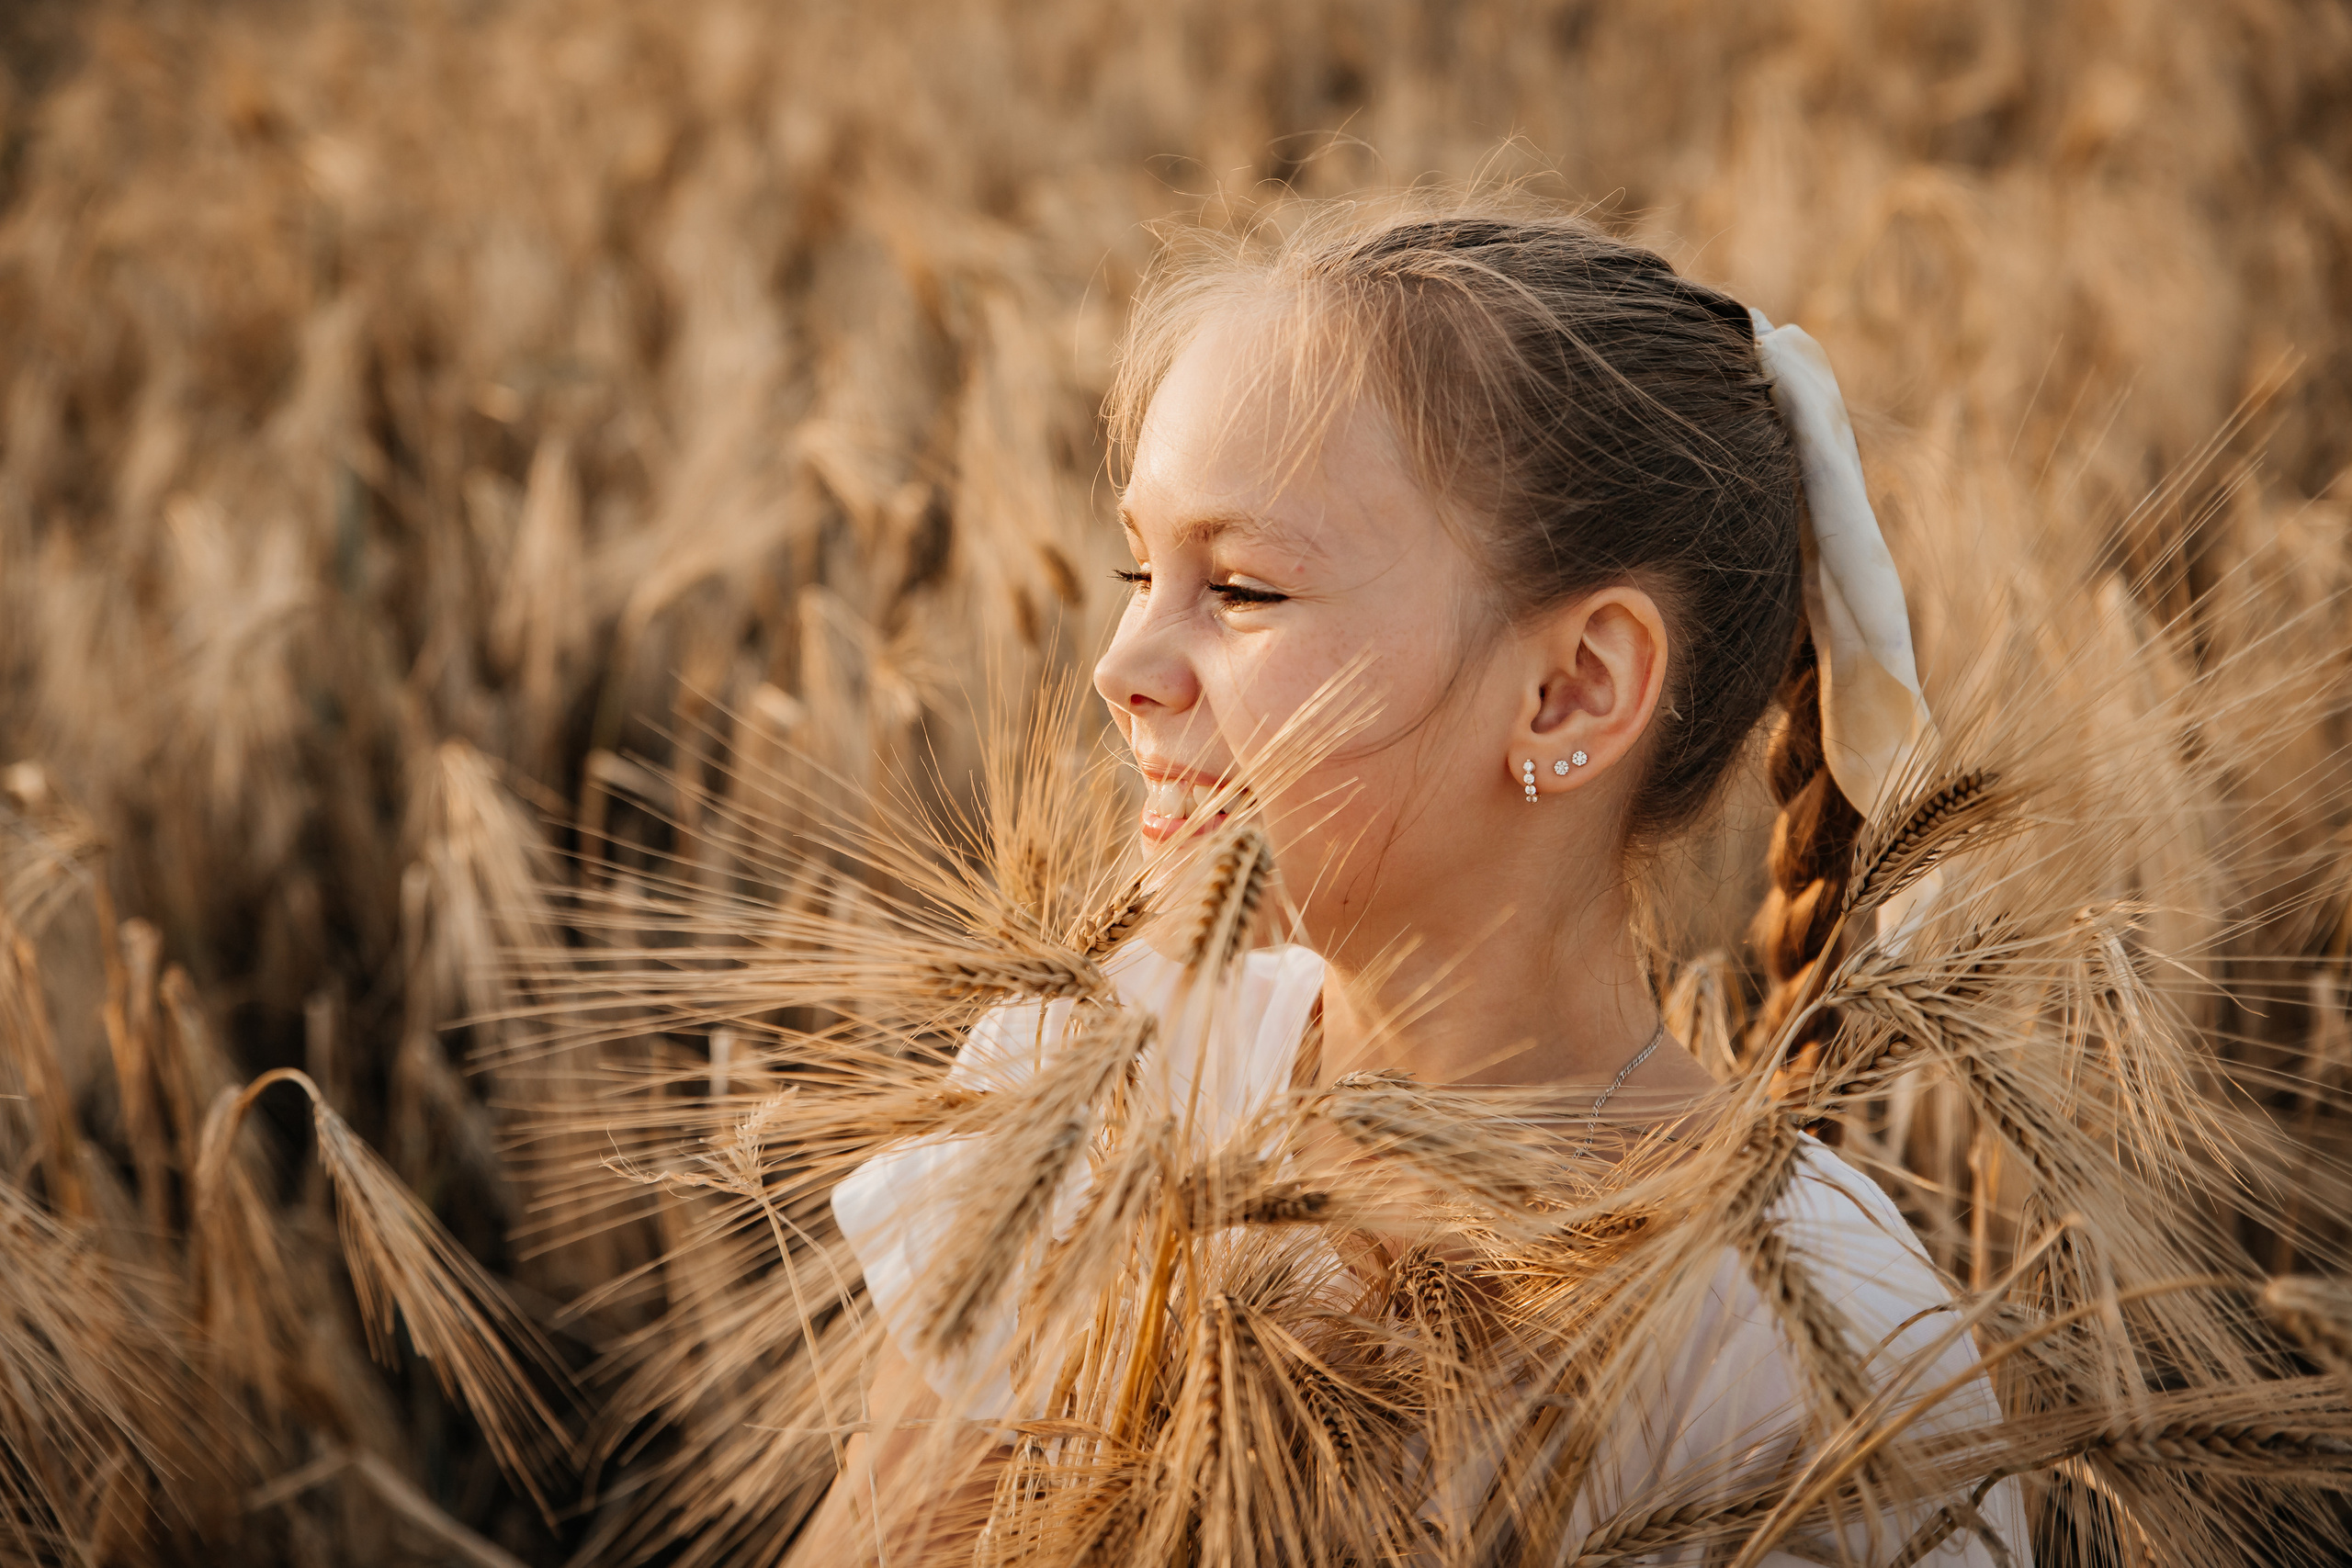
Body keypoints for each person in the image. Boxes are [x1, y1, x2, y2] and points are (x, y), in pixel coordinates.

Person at [792, 204, 2029, 1566]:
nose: (1123, 661)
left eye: (1246, 589)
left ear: (1571, 691)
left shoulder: (1811, 1348)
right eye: (1140, 567)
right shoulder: (1092, 1083)